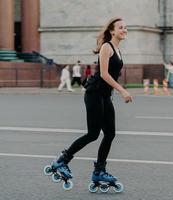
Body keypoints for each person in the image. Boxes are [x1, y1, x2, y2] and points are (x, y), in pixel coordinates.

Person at [49, 17, 132, 186]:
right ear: (112, 31)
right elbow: (104, 74)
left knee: (110, 133)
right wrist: (122, 90)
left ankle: (99, 171)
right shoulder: (106, 47)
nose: (124, 30)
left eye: (126, 27)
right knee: (93, 134)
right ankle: (62, 161)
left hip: (104, 95)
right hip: (94, 94)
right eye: (121, 27)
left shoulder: (117, 48)